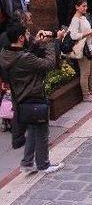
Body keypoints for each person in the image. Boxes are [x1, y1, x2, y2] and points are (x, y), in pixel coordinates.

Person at [0, 25, 66, 174]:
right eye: (27, 34)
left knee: (33, 129)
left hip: (21, 97)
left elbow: (23, 56)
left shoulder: (6, 53)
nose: (30, 36)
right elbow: (48, 64)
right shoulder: (25, 58)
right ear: (21, 38)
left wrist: (36, 43)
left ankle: (27, 163)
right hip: (33, 95)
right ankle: (43, 164)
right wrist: (51, 42)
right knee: (42, 131)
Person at [67, 0, 92, 103]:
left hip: (89, 47)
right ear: (77, 7)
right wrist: (88, 33)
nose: (85, 8)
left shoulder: (83, 17)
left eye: (86, 6)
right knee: (85, 73)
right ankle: (86, 95)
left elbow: (86, 30)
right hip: (82, 49)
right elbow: (73, 36)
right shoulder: (75, 19)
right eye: (83, 6)